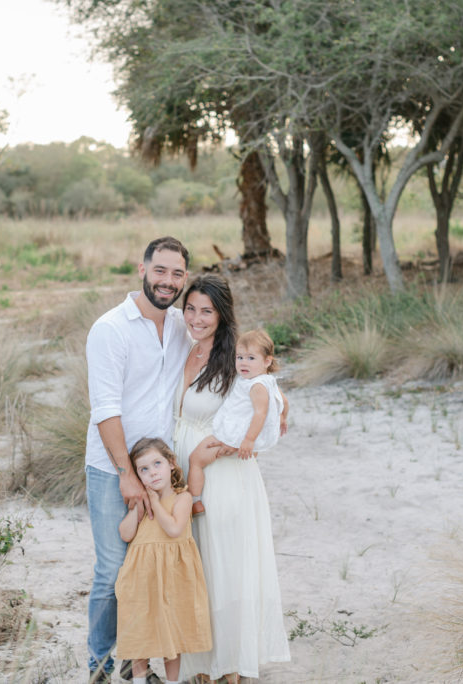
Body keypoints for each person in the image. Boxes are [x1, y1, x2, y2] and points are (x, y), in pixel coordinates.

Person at [171, 274, 291, 683]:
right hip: (181, 471)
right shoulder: (179, 348)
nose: (197, 318)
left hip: (222, 472)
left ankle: (231, 669)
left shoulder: (236, 359)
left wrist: (279, 412)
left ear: (222, 315)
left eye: (207, 311)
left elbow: (267, 392)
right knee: (196, 569)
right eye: (191, 309)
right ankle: (201, 667)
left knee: (225, 570)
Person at [85, 237, 192, 683]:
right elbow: (105, 409)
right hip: (115, 469)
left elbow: (221, 358)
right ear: (143, 269)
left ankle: (138, 657)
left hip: (161, 473)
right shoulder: (111, 328)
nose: (168, 281)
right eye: (161, 270)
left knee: (152, 569)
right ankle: (100, 664)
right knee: (113, 570)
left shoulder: (183, 326)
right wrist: (127, 475)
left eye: (177, 274)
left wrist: (270, 398)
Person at [114, 438, 212, 684]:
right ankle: (138, 680)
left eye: (157, 464)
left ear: (171, 464)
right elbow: (126, 534)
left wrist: (156, 503)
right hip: (142, 574)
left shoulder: (183, 498)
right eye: (143, 470)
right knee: (140, 629)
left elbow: (174, 529)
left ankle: (172, 681)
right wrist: (137, 508)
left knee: (172, 630)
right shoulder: (141, 501)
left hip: (173, 574)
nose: (152, 473)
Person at [186, 329, 283, 516]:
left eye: (251, 358)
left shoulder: (257, 386)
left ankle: (195, 501)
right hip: (235, 432)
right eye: (240, 357)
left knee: (195, 459)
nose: (243, 363)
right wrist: (283, 417)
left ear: (267, 361)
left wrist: (248, 440)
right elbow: (282, 400)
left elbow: (260, 413)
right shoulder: (263, 380)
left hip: (235, 436)